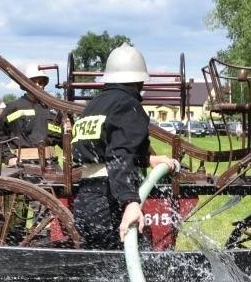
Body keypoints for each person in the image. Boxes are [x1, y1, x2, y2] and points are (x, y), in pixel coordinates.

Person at [71, 44, 176, 250]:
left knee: (101, 269)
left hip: (85, 200)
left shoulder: (94, 105)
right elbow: (119, 154)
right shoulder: (127, 104)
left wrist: (149, 159)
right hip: (109, 199)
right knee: (135, 263)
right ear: (139, 80)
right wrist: (130, 203)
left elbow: (106, 144)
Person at [0, 65, 63, 170]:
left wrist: (68, 131)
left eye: (40, 82)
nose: (37, 85)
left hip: (51, 166)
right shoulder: (13, 108)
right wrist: (8, 158)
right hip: (23, 166)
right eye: (33, 82)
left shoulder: (53, 109)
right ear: (24, 85)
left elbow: (65, 141)